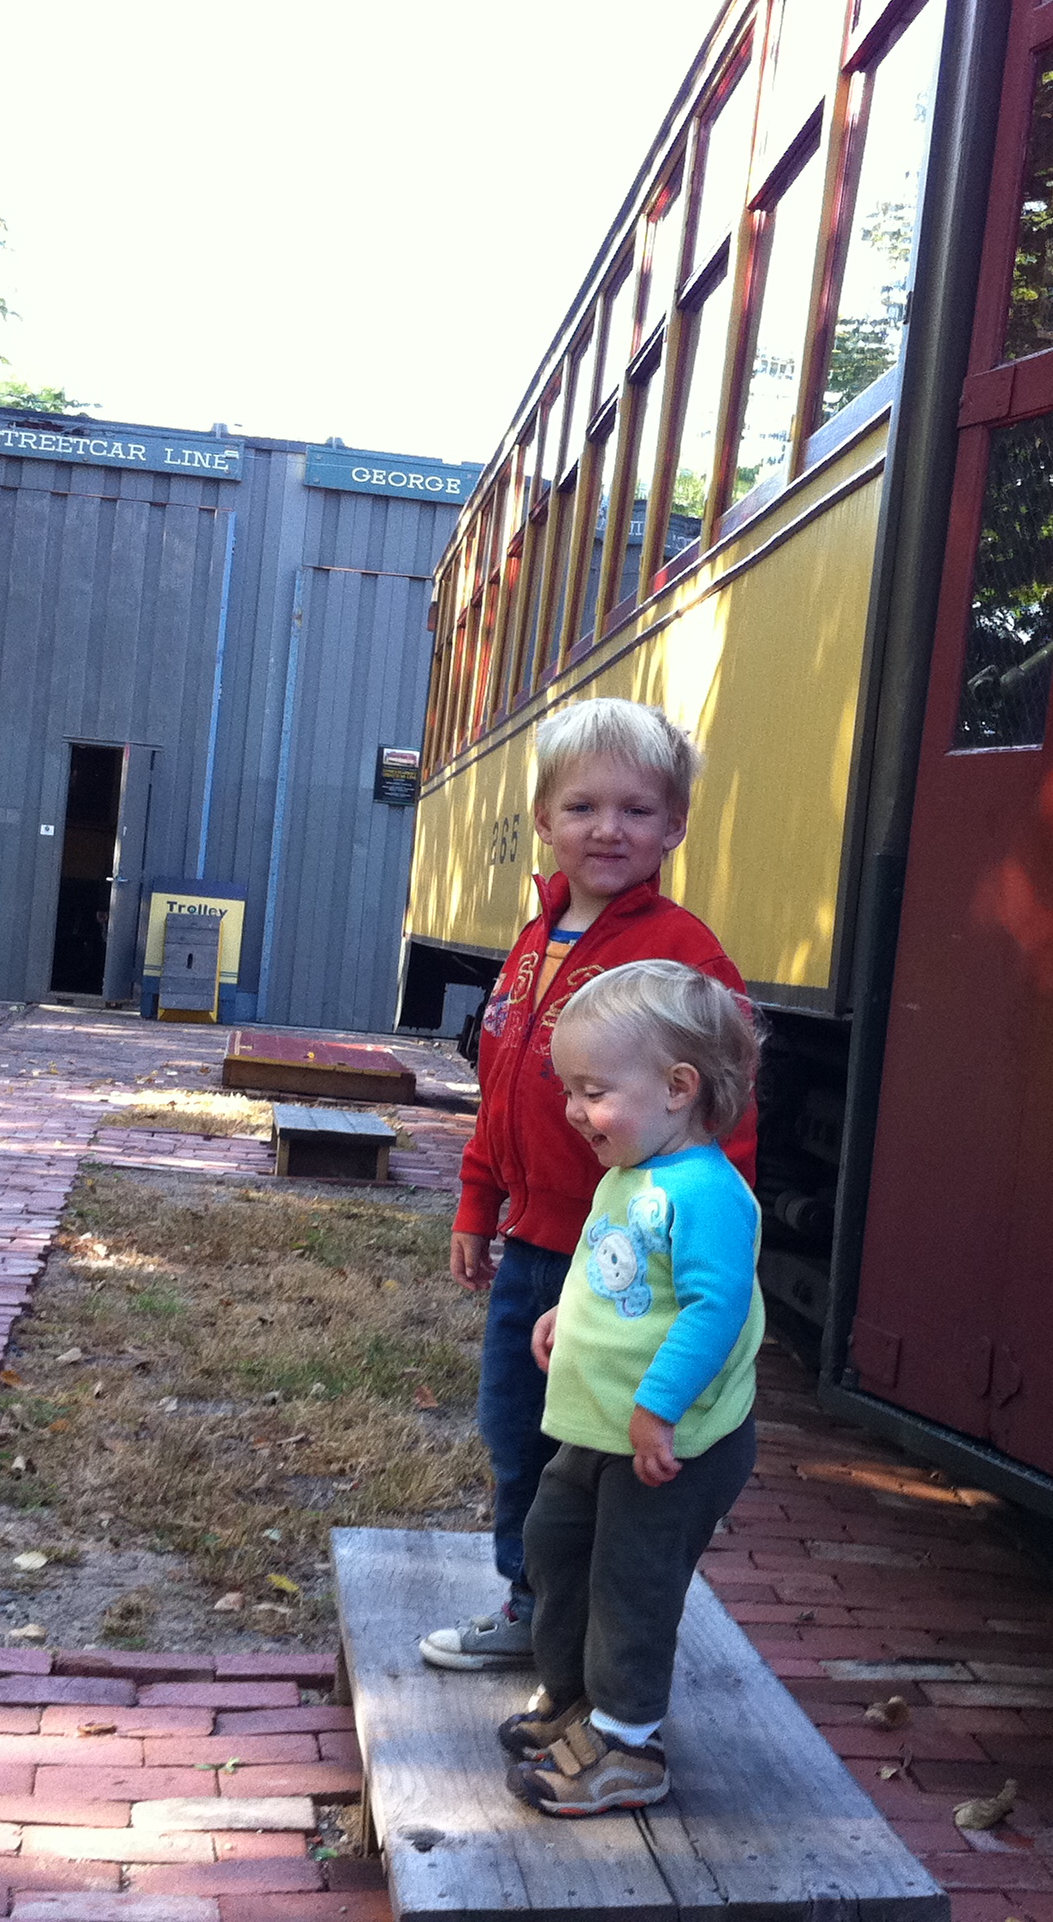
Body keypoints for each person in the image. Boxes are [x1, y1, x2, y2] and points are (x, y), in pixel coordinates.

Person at [419, 700, 755, 1673]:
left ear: (675, 825)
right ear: (543, 819)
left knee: (595, 1450)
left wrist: (708, 1247)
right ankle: (534, 1606)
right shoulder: (535, 942)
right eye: (583, 806)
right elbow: (501, 1088)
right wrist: (479, 1200)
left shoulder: (686, 956)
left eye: (638, 810)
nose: (609, 829)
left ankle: (585, 1629)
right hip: (534, 1247)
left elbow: (729, 1120)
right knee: (517, 1430)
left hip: (625, 1262)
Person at [497, 959, 764, 1815]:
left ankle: (628, 1743)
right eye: (570, 1090)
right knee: (556, 1541)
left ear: (679, 1088)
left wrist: (659, 1409)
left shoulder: (708, 1193)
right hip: (606, 1425)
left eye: (595, 1091)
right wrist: (566, 1318)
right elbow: (622, 1279)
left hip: (669, 1439)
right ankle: (577, 1698)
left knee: (631, 1580)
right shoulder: (631, 1174)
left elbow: (714, 1310)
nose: (575, 1111)